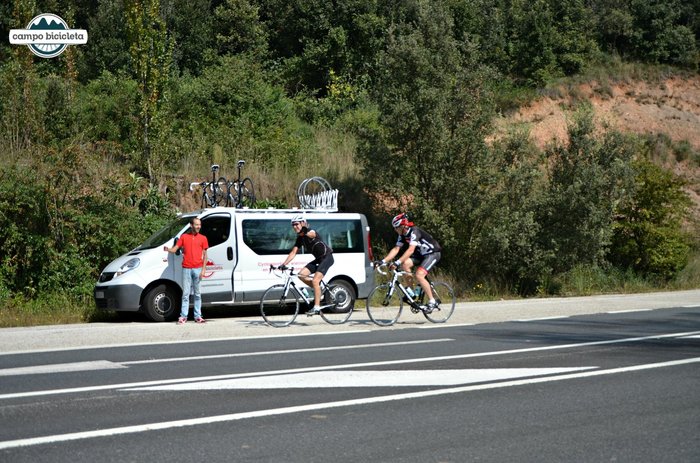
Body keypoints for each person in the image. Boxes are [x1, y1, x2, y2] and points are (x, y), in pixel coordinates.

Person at [376, 213, 442, 312]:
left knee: (419, 275)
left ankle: (432, 301)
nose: (395, 230)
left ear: (403, 226)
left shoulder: (414, 231)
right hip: (421, 255)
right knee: (405, 264)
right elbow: (396, 249)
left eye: (396, 227)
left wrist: (397, 262)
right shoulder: (402, 235)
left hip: (432, 253)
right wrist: (383, 261)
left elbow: (410, 250)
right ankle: (412, 292)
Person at [279, 215, 334, 316]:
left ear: (303, 223)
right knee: (301, 275)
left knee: (315, 280)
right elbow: (293, 252)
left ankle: (317, 307)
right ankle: (317, 289)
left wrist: (305, 231)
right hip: (318, 259)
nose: (295, 227)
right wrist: (284, 264)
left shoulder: (310, 231)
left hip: (327, 257)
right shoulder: (300, 238)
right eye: (293, 225)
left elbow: (312, 234)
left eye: (296, 224)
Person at [164, 217, 209, 324]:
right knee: (186, 294)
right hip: (186, 269)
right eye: (197, 225)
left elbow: (205, 256)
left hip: (198, 269)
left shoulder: (203, 238)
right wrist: (168, 249)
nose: (199, 227)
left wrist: (203, 270)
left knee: (197, 294)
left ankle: (198, 316)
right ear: (191, 225)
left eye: (199, 225)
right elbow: (175, 249)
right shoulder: (184, 237)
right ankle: (183, 316)